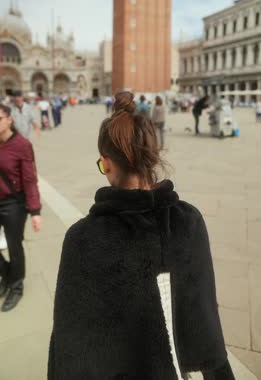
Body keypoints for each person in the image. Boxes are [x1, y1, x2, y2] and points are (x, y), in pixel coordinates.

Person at [48, 91, 235, 380]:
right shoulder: (189, 221)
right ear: (153, 155)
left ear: (106, 163)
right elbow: (203, 316)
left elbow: (72, 343)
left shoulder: (83, 238)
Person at [0, 104, 41, 312]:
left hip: (13, 204)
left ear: (9, 119)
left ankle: (16, 287)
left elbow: (30, 180)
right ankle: (7, 274)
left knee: (15, 247)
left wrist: (35, 211)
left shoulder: (22, 145)